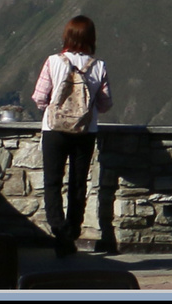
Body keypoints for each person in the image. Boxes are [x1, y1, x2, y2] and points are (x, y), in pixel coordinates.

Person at [32, 14, 113, 256]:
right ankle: (74, 229)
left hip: (54, 130)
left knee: (53, 182)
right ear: (91, 38)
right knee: (78, 183)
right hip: (85, 131)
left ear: (67, 36)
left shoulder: (53, 61)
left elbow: (39, 97)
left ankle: (59, 231)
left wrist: (51, 106)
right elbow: (106, 103)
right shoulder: (98, 66)